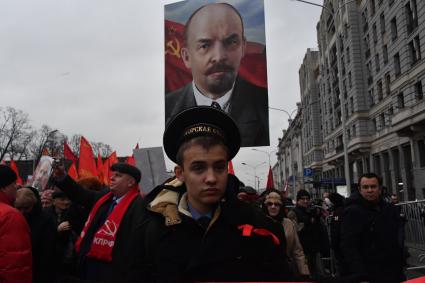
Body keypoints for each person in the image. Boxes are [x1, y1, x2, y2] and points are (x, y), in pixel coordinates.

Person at [134, 106, 291, 282]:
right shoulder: (149, 228)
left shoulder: (261, 230)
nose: (211, 178)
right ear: (180, 173)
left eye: (219, 167)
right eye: (198, 168)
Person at [165, 3, 269, 147]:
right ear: (186, 57)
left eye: (231, 42)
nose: (219, 56)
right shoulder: (168, 112)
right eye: (205, 46)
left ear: (243, 47)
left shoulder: (263, 108)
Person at [52, 162, 146, 282]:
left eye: (118, 175)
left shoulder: (139, 206)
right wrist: (62, 177)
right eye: (113, 174)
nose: (112, 177)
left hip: (116, 271)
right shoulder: (103, 198)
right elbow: (81, 195)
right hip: (90, 265)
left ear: (130, 182)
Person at [340, 173, 405, 283]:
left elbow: (396, 239)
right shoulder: (352, 212)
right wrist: (360, 275)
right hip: (368, 272)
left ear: (379, 189)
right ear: (360, 190)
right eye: (365, 187)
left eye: (373, 186)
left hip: (392, 270)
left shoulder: (389, 209)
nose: (369, 190)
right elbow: (348, 246)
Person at [261, 190, 310, 279]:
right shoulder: (259, 223)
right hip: (264, 272)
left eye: (277, 204)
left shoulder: (288, 223)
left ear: (281, 206)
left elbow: (297, 250)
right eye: (270, 204)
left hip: (284, 270)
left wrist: (304, 272)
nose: (273, 206)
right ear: (265, 206)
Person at [15, 186, 57, 283]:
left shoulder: (46, 219)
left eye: (26, 208)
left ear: (33, 204)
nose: (22, 212)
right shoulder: (13, 216)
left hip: (39, 267)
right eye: (19, 208)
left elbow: (48, 249)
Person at [287, 189, 329, 280]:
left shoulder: (311, 211)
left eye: (307, 198)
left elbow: (319, 229)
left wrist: (316, 218)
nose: (305, 201)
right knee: (305, 276)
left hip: (314, 248)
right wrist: (308, 223)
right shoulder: (293, 213)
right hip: (302, 251)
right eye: (303, 199)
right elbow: (294, 232)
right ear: (298, 200)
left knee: (319, 274)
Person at [0, 164, 32, 283]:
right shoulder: (10, 216)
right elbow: (16, 267)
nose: (17, 187)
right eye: (13, 184)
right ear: (3, 187)